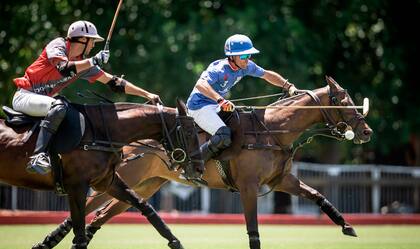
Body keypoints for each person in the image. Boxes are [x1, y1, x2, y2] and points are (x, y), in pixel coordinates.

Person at [12, 20, 162, 175]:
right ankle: (37, 156)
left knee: (68, 109)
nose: (93, 46)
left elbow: (114, 82)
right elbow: (64, 68)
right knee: (59, 106)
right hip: (25, 96)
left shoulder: (83, 65)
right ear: (82, 40)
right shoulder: (58, 45)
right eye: (92, 41)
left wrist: (147, 94)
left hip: (43, 102)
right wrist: (93, 60)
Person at [186, 34, 300, 162]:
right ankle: (193, 164)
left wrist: (288, 86)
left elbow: (267, 75)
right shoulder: (218, 69)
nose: (247, 59)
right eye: (244, 56)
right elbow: (200, 85)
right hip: (199, 106)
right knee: (224, 135)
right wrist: (221, 100)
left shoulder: (245, 67)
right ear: (232, 57)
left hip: (216, 105)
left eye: (249, 55)